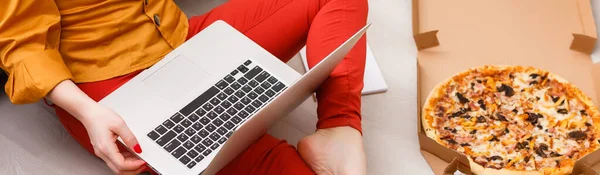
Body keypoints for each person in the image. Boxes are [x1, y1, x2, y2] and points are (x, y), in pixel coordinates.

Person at [0, 0, 367, 174]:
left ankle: (339, 127)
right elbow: (24, 49)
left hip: (183, 37)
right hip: (109, 90)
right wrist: (88, 113)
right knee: (266, 160)